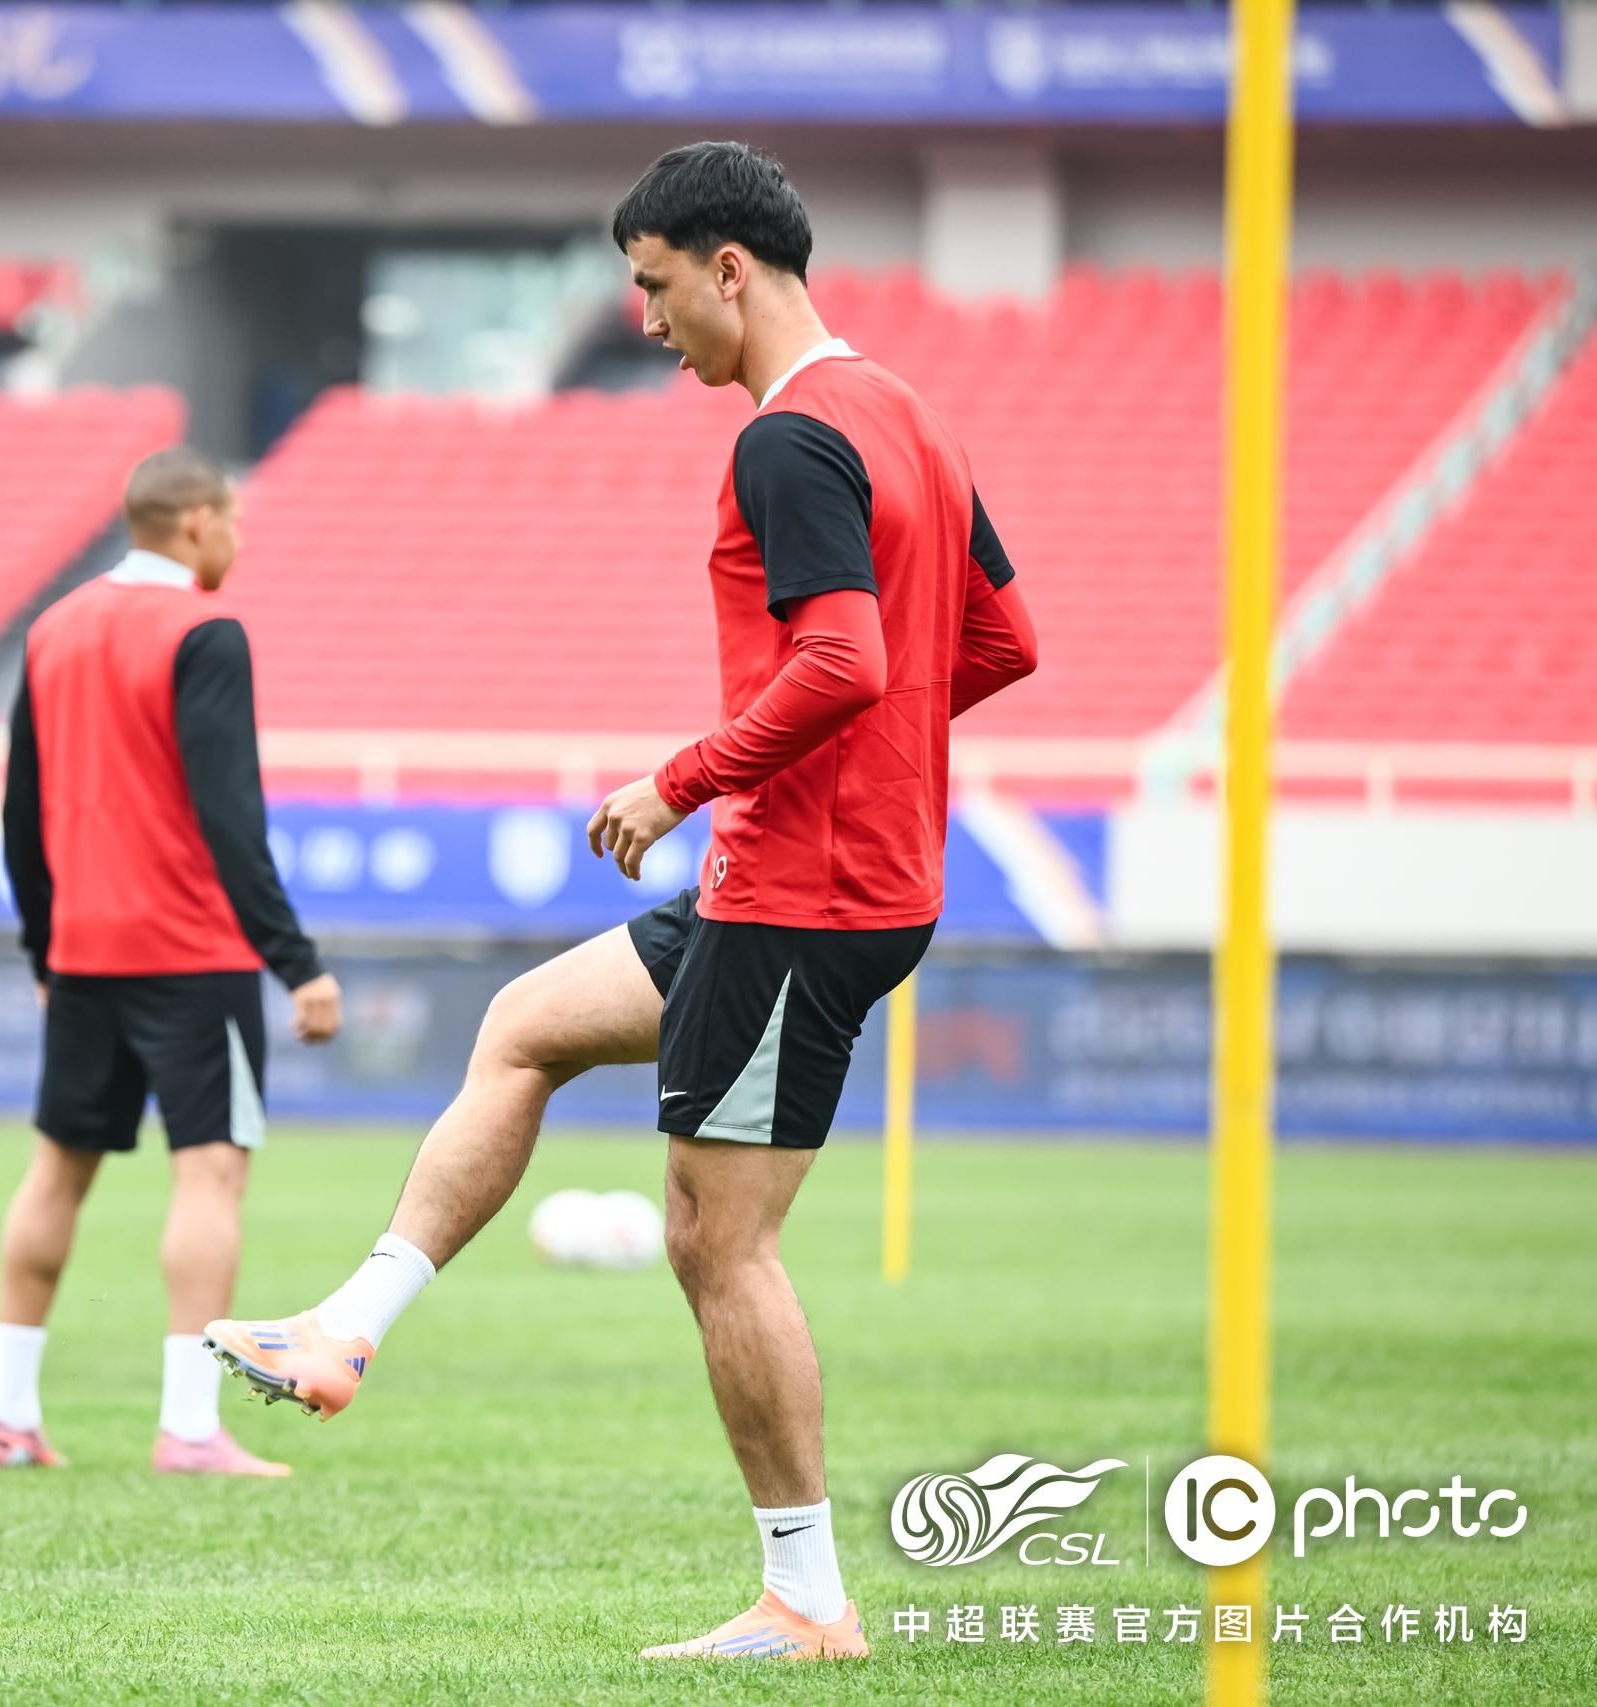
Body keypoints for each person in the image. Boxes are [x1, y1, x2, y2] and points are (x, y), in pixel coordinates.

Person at [206, 142, 1040, 1659]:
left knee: (718, 1243)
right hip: (792, 869)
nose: (645, 320)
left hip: (805, 891)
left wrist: (681, 779)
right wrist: (861, 756)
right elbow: (999, 640)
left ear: (730, 268)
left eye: (654, 287)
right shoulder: (906, 412)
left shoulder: (790, 439)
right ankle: (345, 1327)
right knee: (524, 1026)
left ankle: (807, 1599)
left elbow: (847, 660)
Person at [0, 447, 343, 1478]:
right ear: (193, 522)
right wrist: (297, 962)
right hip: (191, 952)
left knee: (57, 1171)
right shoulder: (204, 630)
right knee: (211, 1173)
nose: (237, 538)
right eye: (232, 520)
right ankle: (187, 1429)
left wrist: (42, 942)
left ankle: (8, 1419)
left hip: (83, 951)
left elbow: (20, 807)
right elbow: (232, 815)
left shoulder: (53, 627)